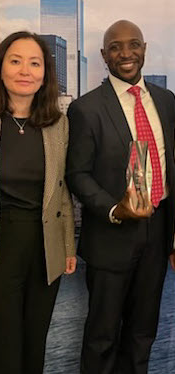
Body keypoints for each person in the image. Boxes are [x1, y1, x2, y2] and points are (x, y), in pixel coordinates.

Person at [0, 31, 76, 374]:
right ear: (0, 68)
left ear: (45, 74)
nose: (26, 70)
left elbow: (61, 190)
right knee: (2, 350)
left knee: (34, 348)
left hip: (44, 248)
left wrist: (68, 243)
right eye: (16, 60)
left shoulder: (58, 124)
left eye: (35, 63)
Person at [66, 20, 175, 374]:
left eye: (133, 45)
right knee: (102, 337)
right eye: (115, 47)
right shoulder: (86, 108)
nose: (125, 54)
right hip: (111, 235)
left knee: (143, 334)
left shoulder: (167, 101)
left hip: (158, 232)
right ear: (104, 56)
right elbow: (77, 174)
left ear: (144, 49)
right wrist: (115, 209)